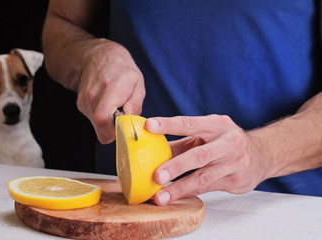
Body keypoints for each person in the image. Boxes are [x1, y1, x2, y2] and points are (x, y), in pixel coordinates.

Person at [42, 0, 322, 206]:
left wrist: (261, 154)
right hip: (123, 208)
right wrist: (91, 54)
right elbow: (60, 23)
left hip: (279, 211)